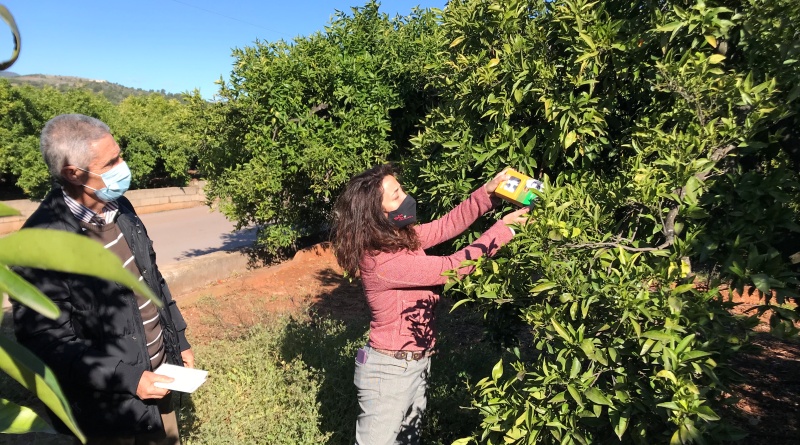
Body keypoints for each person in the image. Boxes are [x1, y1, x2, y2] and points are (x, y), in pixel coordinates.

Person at [11, 114, 193, 445]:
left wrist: (177, 340)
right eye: (112, 161)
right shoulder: (40, 245)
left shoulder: (120, 208)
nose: (124, 167)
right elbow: (46, 342)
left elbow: (152, 279)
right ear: (74, 173)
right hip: (106, 409)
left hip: (160, 377)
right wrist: (130, 377)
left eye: (119, 155)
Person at [331, 163, 530, 445]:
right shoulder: (382, 261)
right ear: (377, 213)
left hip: (414, 364)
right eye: (396, 195)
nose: (406, 197)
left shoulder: (397, 239)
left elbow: (445, 226)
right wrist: (504, 230)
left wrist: (486, 194)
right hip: (389, 373)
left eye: (401, 190)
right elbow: (453, 266)